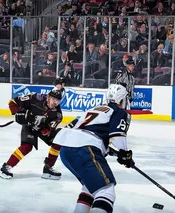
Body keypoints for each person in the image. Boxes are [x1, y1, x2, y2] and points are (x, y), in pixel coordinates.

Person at [52, 84, 134, 213]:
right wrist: (125, 155)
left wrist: (110, 150)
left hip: (67, 148)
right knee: (106, 190)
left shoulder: (95, 108)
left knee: (90, 187)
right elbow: (117, 136)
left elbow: (77, 127)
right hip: (84, 148)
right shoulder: (119, 111)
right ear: (122, 99)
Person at [0, 90, 64, 180]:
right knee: (27, 147)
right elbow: (12, 102)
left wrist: (44, 130)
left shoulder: (57, 114)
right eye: (53, 99)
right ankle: (6, 167)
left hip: (39, 128)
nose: (55, 102)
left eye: (57, 100)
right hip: (28, 126)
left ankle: (48, 168)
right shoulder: (36, 98)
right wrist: (18, 112)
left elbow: (48, 130)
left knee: (58, 139)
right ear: (48, 97)